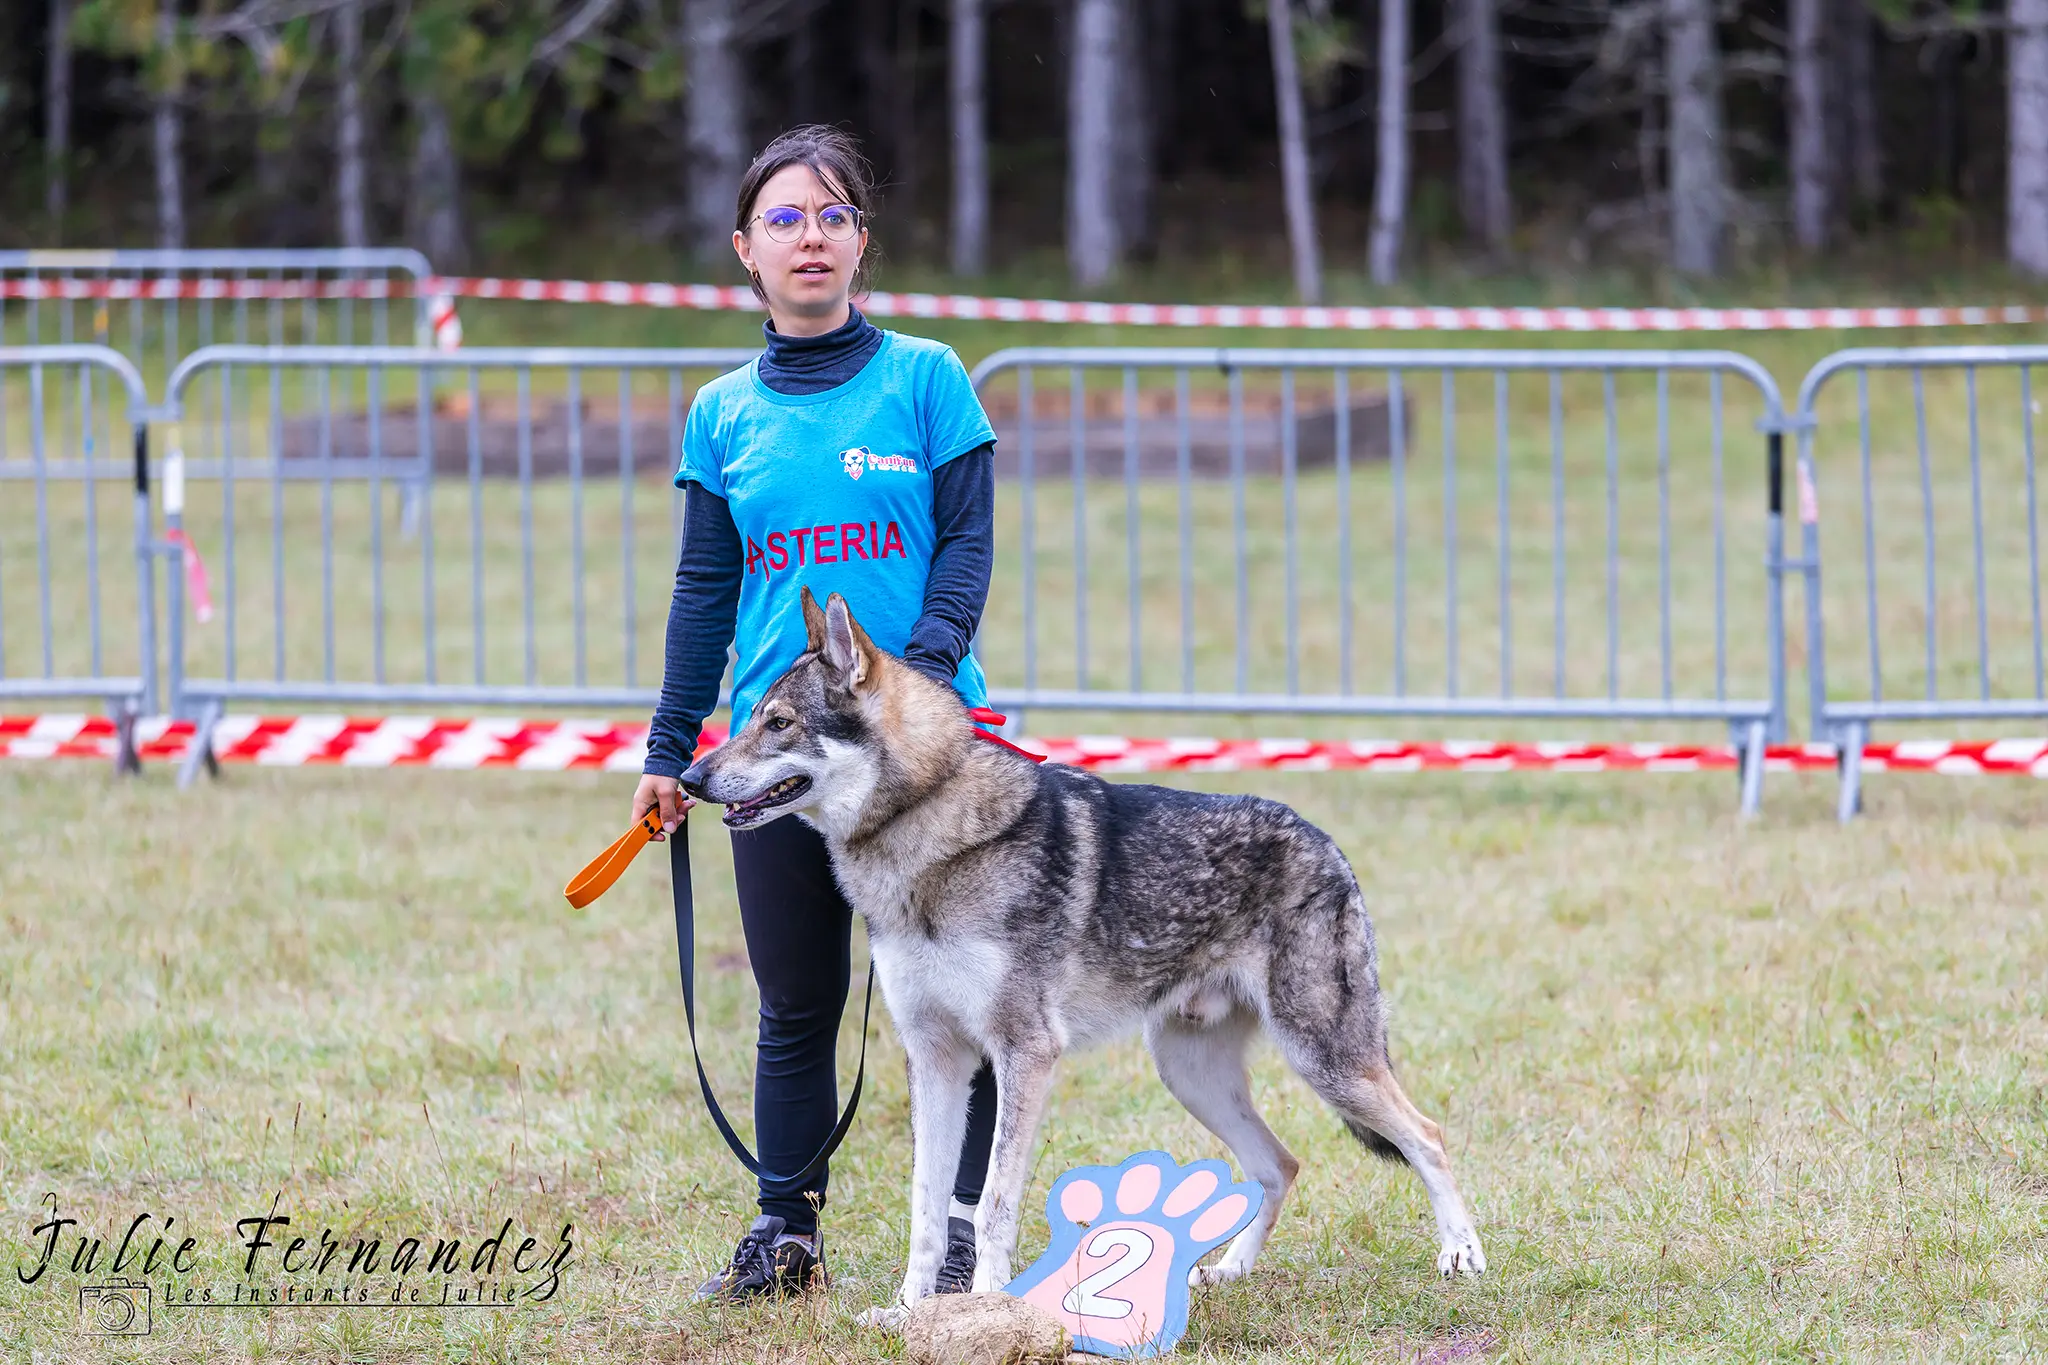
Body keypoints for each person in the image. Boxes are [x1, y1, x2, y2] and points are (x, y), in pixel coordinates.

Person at [632, 125, 1001, 1302]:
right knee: (799, 999)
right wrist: (666, 748)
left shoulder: (929, 379)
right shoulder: (720, 412)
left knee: (971, 1001)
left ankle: (957, 1241)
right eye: (784, 219)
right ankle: (784, 1233)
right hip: (776, 761)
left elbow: (966, 547)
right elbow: (703, 592)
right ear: (745, 248)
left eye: (832, 216)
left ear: (861, 242)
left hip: (930, 755)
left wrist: (919, 684)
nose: (810, 237)